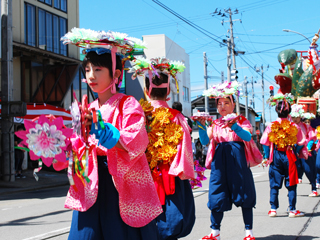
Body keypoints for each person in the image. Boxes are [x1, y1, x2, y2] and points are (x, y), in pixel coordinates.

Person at [61, 28, 162, 240]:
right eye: (87, 70)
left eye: (97, 70)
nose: (90, 76)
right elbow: (79, 145)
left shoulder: (128, 104)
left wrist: (101, 130)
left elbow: (135, 140)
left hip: (119, 180)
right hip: (90, 179)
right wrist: (61, 147)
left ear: (116, 74)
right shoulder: (86, 107)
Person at [130, 56, 195, 240]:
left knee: (144, 225)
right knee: (170, 223)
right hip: (171, 177)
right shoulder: (178, 117)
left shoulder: (138, 115)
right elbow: (186, 151)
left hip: (143, 175)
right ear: (169, 92)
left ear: (145, 90)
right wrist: (182, 172)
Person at [198, 82, 262, 240]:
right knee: (216, 192)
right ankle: (215, 232)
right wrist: (199, 124)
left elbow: (247, 137)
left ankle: (249, 232)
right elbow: (205, 140)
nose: (222, 106)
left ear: (233, 104)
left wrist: (234, 126)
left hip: (238, 161)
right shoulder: (215, 123)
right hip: (219, 161)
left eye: (226, 103)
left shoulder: (242, 120)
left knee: (244, 192)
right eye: (219, 104)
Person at [261, 95, 306, 219]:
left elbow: (264, 142)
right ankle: (292, 209)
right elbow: (301, 141)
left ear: (276, 110)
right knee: (291, 182)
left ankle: (273, 209)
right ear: (289, 111)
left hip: (276, 155)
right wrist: (295, 151)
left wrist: (267, 156)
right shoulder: (294, 126)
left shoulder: (271, 125)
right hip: (289, 155)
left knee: (274, 183)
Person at [291, 107, 318, 197]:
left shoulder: (305, 126)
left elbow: (312, 136)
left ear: (300, 117)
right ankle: (291, 192)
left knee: (308, 170)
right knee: (294, 171)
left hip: (305, 151)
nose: (295, 119)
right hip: (293, 151)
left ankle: (314, 188)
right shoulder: (290, 126)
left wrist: (308, 146)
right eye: (293, 116)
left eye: (297, 117)